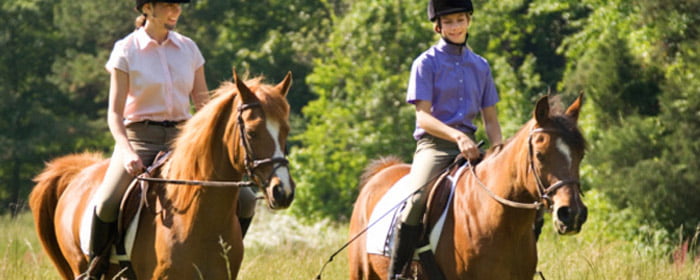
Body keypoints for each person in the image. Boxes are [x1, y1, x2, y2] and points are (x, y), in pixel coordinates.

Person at [84, 0, 257, 278]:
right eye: (168, 5)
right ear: (148, 8)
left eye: (178, 5)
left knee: (247, 198)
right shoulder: (126, 50)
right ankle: (96, 267)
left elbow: (203, 107)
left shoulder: (189, 48)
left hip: (184, 139)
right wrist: (127, 152)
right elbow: (115, 115)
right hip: (140, 138)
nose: (175, 11)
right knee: (106, 202)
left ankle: (224, 251)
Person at [388, 0, 503, 279]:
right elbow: (423, 118)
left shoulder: (481, 66)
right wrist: (456, 136)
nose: (455, 27)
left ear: (469, 21)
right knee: (415, 202)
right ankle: (398, 272)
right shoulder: (425, 63)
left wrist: (498, 151)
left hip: (473, 149)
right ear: (438, 26)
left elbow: (491, 121)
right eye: (449, 22)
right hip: (435, 146)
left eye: (460, 20)